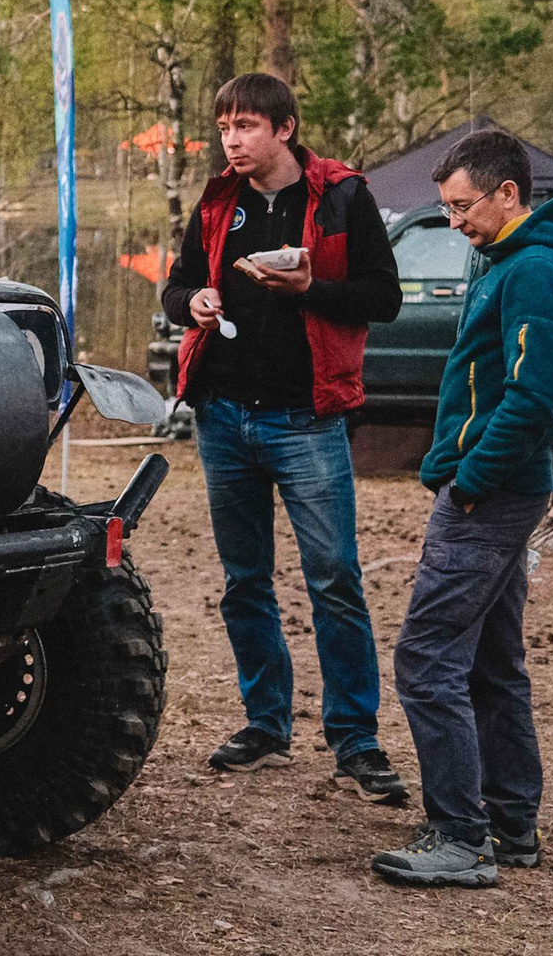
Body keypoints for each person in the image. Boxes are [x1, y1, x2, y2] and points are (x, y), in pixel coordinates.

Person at [161, 73, 406, 802]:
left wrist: (311, 291)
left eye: (246, 126)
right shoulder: (216, 203)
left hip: (307, 418)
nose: (232, 139)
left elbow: (383, 297)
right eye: (225, 127)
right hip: (225, 416)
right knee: (245, 580)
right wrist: (194, 301)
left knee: (334, 578)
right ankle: (266, 723)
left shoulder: (341, 198)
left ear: (285, 128)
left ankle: (356, 740)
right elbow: (176, 288)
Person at [372, 128, 553, 887]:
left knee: (427, 657)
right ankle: (510, 823)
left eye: (463, 206)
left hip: (492, 493)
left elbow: (531, 400)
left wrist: (468, 481)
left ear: (508, 193)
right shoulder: (509, 260)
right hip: (496, 485)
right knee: (494, 661)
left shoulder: (534, 271)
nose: (454, 220)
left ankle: (461, 834)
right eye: (446, 207)